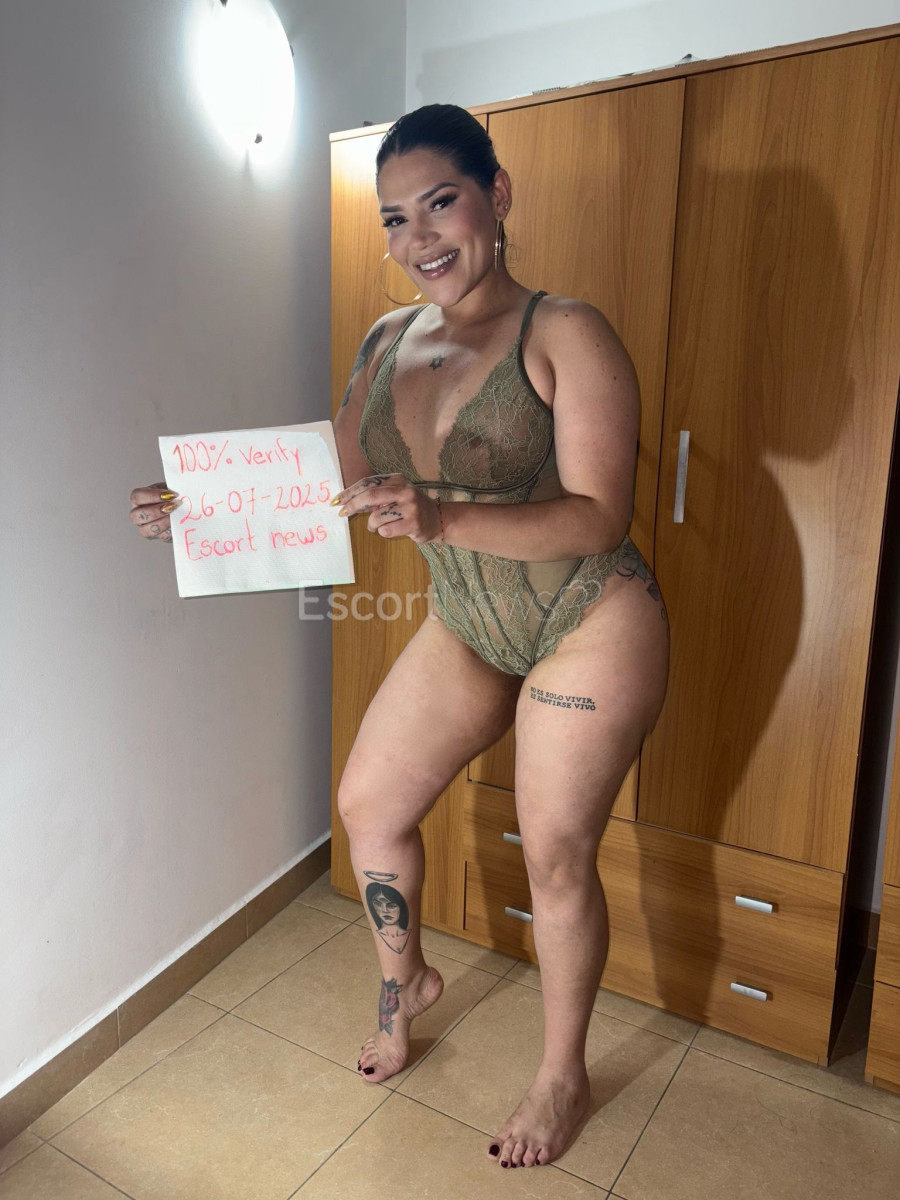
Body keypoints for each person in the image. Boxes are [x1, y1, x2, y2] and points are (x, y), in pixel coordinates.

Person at [129, 102, 670, 1170]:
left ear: (495, 195)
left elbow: (600, 516)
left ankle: (562, 1075)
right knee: (369, 808)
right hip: (470, 617)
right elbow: (325, 475)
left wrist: (440, 515)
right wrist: (194, 504)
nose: (418, 237)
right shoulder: (384, 341)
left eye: (440, 202)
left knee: (556, 855)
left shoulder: (564, 331)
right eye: (393, 218)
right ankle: (406, 983)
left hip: (588, 619)